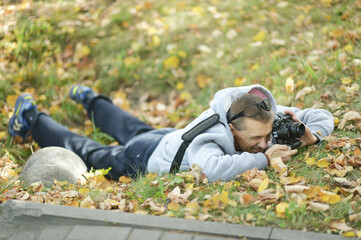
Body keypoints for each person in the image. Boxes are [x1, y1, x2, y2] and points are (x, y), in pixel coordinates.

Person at [8, 84, 334, 182]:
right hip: (145, 156)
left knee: (130, 126)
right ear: (230, 128)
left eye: (267, 136)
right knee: (91, 153)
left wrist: (310, 133)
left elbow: (320, 114)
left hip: (169, 137)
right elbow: (212, 168)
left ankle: (89, 98)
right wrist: (264, 159)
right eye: (255, 141)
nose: (265, 142)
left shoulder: (254, 112)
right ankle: (31, 116)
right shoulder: (211, 139)